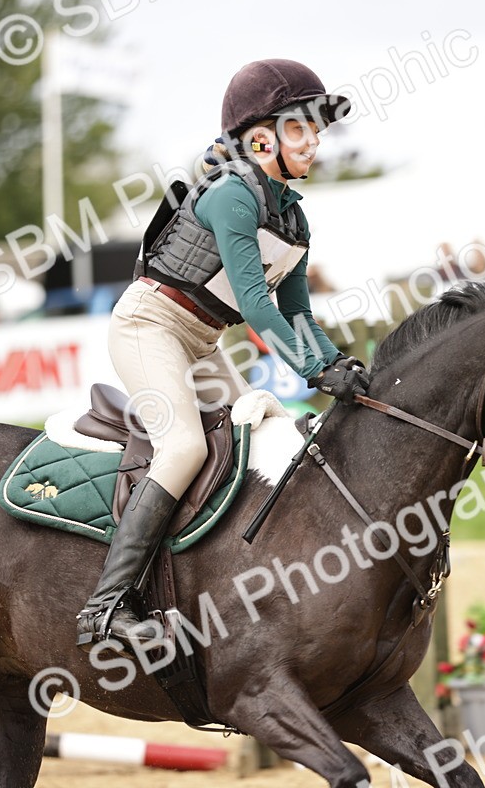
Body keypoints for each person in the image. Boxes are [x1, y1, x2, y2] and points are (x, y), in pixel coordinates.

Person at [75, 60, 369, 651]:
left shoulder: (294, 216)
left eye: (317, 130)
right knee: (183, 446)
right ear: (261, 137)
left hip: (201, 341)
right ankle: (106, 607)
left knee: (281, 435)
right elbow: (259, 307)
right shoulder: (232, 195)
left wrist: (339, 362)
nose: (315, 140)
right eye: (300, 128)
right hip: (148, 327)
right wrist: (315, 370)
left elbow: (299, 314)